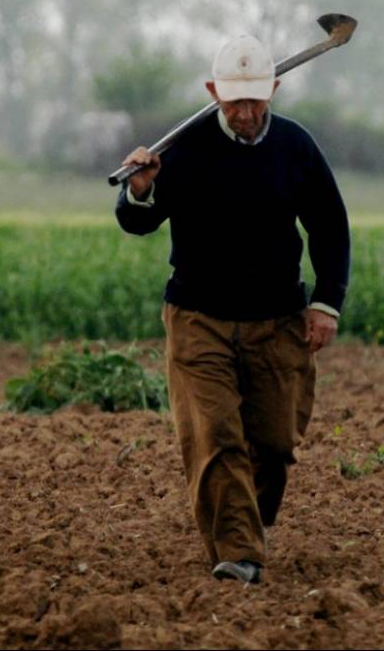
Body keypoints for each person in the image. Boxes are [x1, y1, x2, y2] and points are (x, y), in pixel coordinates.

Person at [114, 33, 350, 584]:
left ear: (274, 88)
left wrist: (326, 304)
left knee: (272, 444)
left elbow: (330, 228)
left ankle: (244, 522)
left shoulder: (296, 148)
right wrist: (141, 189)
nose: (245, 113)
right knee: (215, 436)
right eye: (234, 101)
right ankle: (239, 552)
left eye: (256, 100)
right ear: (212, 91)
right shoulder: (183, 151)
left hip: (276, 320)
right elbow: (137, 221)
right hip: (199, 319)